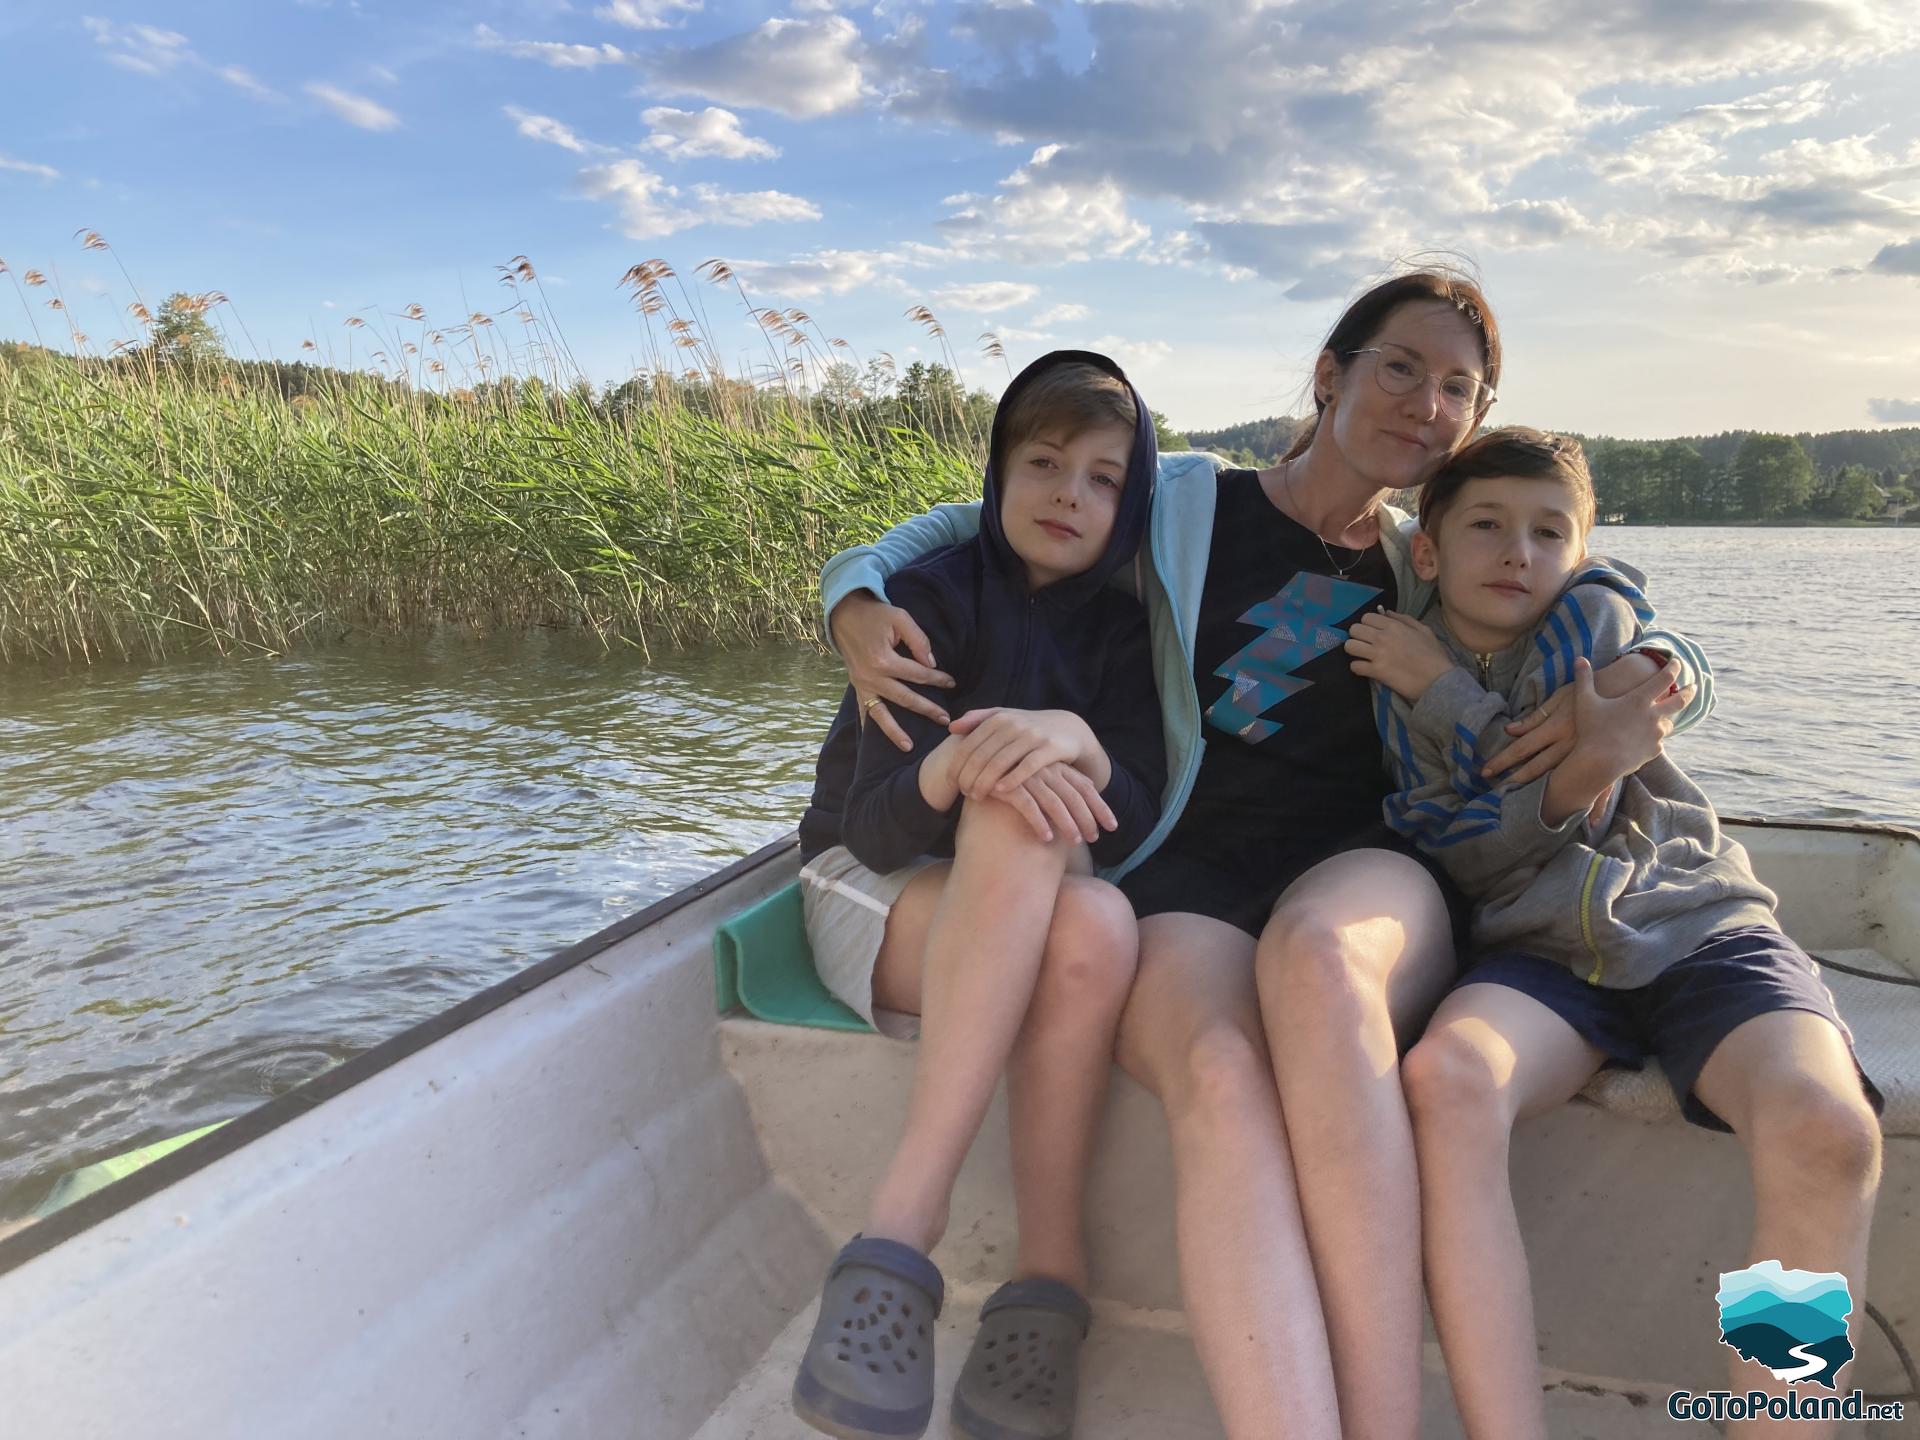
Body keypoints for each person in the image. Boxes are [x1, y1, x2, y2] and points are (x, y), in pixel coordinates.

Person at [822, 266, 1713, 1437]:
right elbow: (975, 519)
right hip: (1184, 877)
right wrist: (854, 591)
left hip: (1367, 863)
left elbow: (1613, 609)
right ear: (1331, 374)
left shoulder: (1436, 553)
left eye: (1460, 387)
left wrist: (1680, 673)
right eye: (1401, 367)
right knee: (1222, 1079)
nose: (1427, 404)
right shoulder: (1187, 499)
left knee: (1323, 962)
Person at [1348, 427, 1883, 1440]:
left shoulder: (1596, 628)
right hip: (1530, 951)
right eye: (1487, 527)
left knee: (1827, 1129)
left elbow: (1643, 630)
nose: (1518, 553)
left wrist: (1664, 664)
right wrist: (1537, 743)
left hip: (1696, 924)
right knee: (1448, 1084)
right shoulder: (1398, 679)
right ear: (1429, 551)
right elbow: (1462, 853)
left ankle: (1774, 1421)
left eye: (1549, 532)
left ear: (1578, 552)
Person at [791, 350, 1167, 1440]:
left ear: (1131, 500)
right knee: (1007, 801)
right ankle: (905, 1229)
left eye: (1104, 477)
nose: (1070, 494)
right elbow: (866, 826)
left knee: (1096, 913)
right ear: (996, 475)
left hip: (1033, 904)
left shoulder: (1134, 634)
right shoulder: (927, 600)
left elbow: (1135, 811)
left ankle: (1045, 1279)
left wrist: (1084, 744)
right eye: (1044, 463)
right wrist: (954, 770)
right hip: (872, 888)